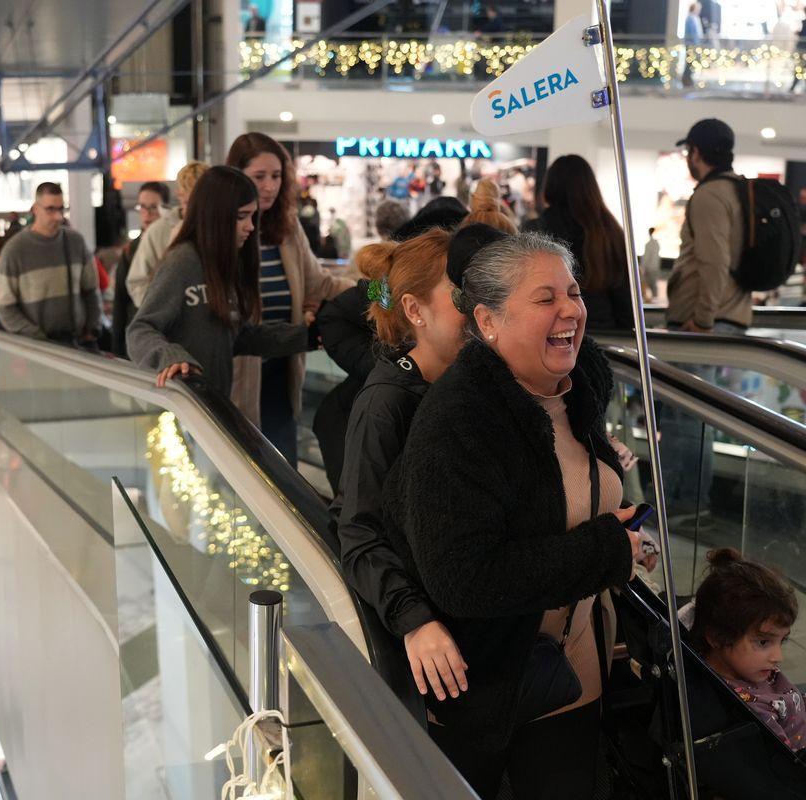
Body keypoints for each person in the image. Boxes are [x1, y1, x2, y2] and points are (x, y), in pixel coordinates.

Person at [383, 233, 659, 798]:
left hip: (579, 670)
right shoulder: (460, 420)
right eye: (545, 298)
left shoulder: (579, 389)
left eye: (574, 292)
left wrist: (623, 536)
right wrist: (607, 550)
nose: (570, 310)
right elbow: (466, 578)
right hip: (494, 686)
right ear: (488, 320)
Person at [334, 225, 508, 707]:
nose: (480, 311)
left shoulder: (478, 382)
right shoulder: (385, 405)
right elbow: (360, 532)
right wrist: (414, 620)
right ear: (415, 310)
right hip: (442, 648)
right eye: (462, 297)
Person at [689, 548, 806, 792]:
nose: (778, 657)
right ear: (716, 636)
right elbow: (797, 777)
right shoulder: (744, 709)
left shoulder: (759, 674)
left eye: (781, 641)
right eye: (763, 642)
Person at [226, 133, 354, 465]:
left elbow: (319, 284)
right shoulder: (219, 234)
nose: (269, 186)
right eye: (259, 177)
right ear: (237, 177)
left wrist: (378, 291)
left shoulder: (287, 227)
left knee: (284, 475)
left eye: (276, 176)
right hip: (233, 380)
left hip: (283, 370)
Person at [126, 166, 309, 395]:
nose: (250, 226)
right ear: (215, 216)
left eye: (252, 216)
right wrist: (171, 357)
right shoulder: (183, 261)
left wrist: (307, 336)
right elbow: (140, 329)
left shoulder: (230, 263)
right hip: (183, 406)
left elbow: (239, 336)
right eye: (241, 217)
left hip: (212, 402)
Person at [663, 118, 748, 516]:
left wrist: (703, 321)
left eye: (688, 152)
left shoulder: (710, 196)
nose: (687, 160)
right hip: (727, 315)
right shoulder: (737, 191)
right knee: (697, 417)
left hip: (703, 323)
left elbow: (714, 263)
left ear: (697, 152)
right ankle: (692, 502)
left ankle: (683, 503)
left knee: (684, 416)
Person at [525, 155, 633, 333]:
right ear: (590, 187)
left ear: (550, 186)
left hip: (551, 333)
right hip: (606, 334)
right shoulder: (610, 232)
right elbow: (625, 302)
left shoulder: (535, 231)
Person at [0, 182, 101, 348]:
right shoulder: (15, 250)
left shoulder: (75, 242)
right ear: (35, 209)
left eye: (61, 209)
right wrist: (37, 337)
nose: (58, 216)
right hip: (38, 348)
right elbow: (4, 306)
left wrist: (91, 328)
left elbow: (91, 291)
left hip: (78, 343)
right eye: (50, 209)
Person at [126, 162, 208, 310]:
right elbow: (137, 284)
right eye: (190, 202)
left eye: (204, 202)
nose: (198, 209)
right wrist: (163, 311)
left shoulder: (218, 229)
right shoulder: (158, 231)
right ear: (180, 195)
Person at [112, 181, 171, 357]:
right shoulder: (131, 249)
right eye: (142, 207)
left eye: (153, 207)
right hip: (139, 332)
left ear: (165, 209)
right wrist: (117, 348)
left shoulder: (175, 244)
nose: (147, 214)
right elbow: (120, 300)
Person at [683, 3, 703, 86]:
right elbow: (692, 33)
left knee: (691, 62)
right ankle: (686, 79)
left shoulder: (695, 18)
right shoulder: (690, 18)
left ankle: (688, 78)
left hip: (695, 43)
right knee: (689, 62)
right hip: (691, 44)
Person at [641, 227, 661, 302]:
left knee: (649, 283)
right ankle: (653, 299)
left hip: (650, 268)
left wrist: (643, 268)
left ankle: (652, 300)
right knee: (652, 284)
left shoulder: (649, 244)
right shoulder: (656, 244)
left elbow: (646, 258)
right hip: (654, 267)